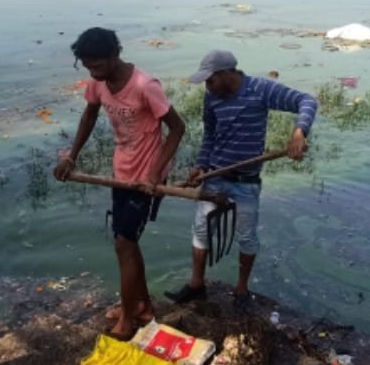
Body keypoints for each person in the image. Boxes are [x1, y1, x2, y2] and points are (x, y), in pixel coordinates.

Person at [53, 27, 185, 341]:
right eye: (87, 66)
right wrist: (71, 156)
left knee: (125, 244)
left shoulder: (145, 85)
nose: (93, 72)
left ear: (115, 54)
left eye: (98, 65)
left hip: (147, 178)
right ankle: (142, 306)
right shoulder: (98, 84)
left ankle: (128, 318)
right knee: (124, 244)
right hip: (121, 172)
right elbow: (89, 116)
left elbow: (178, 128)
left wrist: (154, 172)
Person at [165, 50, 317, 312]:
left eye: (210, 80)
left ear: (225, 74)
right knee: (201, 231)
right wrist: (201, 165)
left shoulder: (260, 89)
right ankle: (196, 284)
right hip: (214, 176)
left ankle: (241, 288)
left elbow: (307, 101)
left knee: (246, 236)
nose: (207, 86)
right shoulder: (212, 97)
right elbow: (210, 136)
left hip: (246, 182)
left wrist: (299, 131)